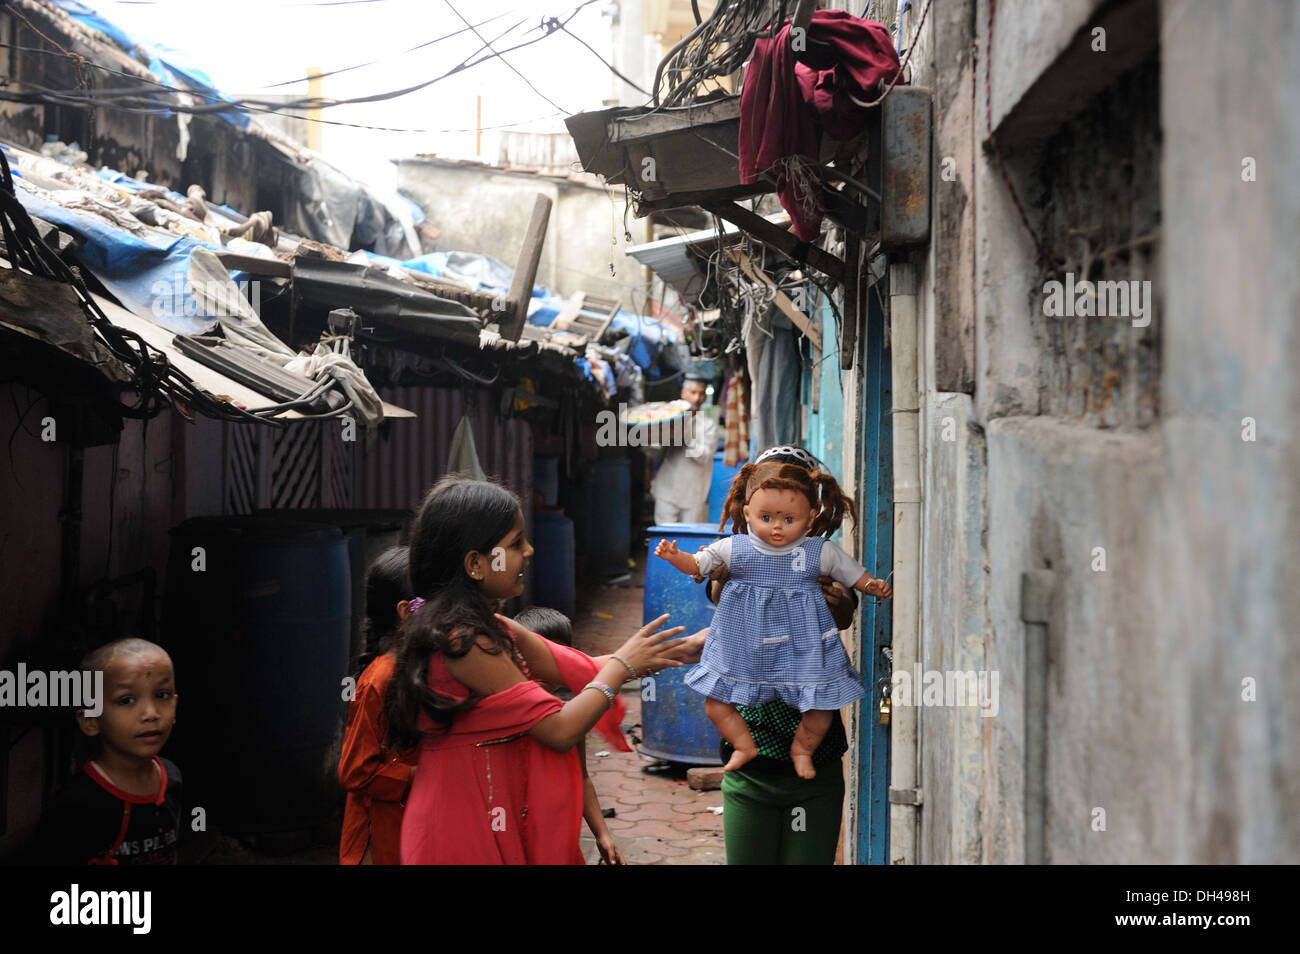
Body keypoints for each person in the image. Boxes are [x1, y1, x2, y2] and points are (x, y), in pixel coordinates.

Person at [385, 476, 687, 865]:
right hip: (460, 826)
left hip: (488, 809)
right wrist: (625, 665)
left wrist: (685, 648)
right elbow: (560, 730)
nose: (528, 551)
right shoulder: (463, 642)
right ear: (476, 563)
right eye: (514, 543)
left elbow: (584, 669)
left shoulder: (490, 627)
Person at [655, 450, 893, 779]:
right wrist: (679, 558)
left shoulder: (819, 555)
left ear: (810, 514)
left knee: (820, 709)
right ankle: (744, 746)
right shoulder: (733, 550)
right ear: (749, 509)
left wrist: (869, 587)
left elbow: (850, 595)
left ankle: (802, 749)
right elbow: (701, 572)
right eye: (767, 516)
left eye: (788, 516)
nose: (777, 526)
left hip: (803, 662)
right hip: (748, 671)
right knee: (716, 702)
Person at [39, 638, 183, 865]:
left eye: (162, 695)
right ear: (90, 720)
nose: (151, 713)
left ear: (175, 705)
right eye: (126, 700)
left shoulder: (171, 777)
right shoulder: (78, 803)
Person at [514, 605, 624, 866]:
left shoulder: (569, 716)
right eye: (530, 656)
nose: (539, 668)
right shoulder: (503, 712)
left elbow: (582, 776)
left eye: (552, 658)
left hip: (557, 835)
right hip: (512, 832)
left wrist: (602, 833)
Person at [338, 546, 418, 865]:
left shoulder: (426, 668)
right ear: (406, 612)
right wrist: (418, 775)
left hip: (409, 828)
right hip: (378, 838)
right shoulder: (380, 679)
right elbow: (355, 772)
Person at [649, 376, 720, 525]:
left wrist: (686, 437)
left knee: (689, 543)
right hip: (666, 492)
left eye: (701, 394)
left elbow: (704, 456)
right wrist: (649, 434)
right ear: (683, 393)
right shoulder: (669, 419)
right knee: (664, 540)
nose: (697, 398)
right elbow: (654, 452)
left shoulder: (708, 426)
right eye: (693, 392)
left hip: (694, 496)